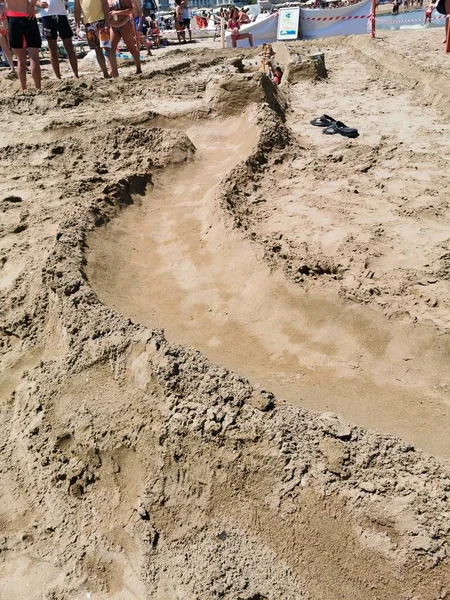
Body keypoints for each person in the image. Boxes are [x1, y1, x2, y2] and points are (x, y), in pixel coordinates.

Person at [74, 0, 118, 78]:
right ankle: (105, 73)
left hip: (100, 21)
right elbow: (77, 8)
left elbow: (105, 4)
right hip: (88, 24)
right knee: (97, 49)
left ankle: (115, 72)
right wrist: (77, 25)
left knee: (107, 47)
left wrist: (107, 21)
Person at [36, 0, 79, 79]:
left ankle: (76, 74)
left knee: (69, 47)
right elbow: (34, 1)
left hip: (61, 15)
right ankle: (58, 76)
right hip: (47, 16)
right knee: (52, 49)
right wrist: (39, 4)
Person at [5, 0, 41, 90]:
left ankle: (24, 89)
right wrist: (32, 5)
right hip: (28, 15)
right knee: (34, 58)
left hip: (13, 17)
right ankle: (38, 89)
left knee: (20, 60)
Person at [108, 0, 141, 74]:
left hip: (125, 24)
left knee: (131, 47)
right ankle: (113, 71)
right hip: (113, 26)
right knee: (111, 49)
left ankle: (138, 68)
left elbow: (131, 9)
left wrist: (118, 12)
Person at [0, 0, 15, 77]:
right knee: (6, 50)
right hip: (1, 31)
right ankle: (12, 67)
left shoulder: (5, 5)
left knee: (14, 48)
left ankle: (23, 65)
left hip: (8, 29)